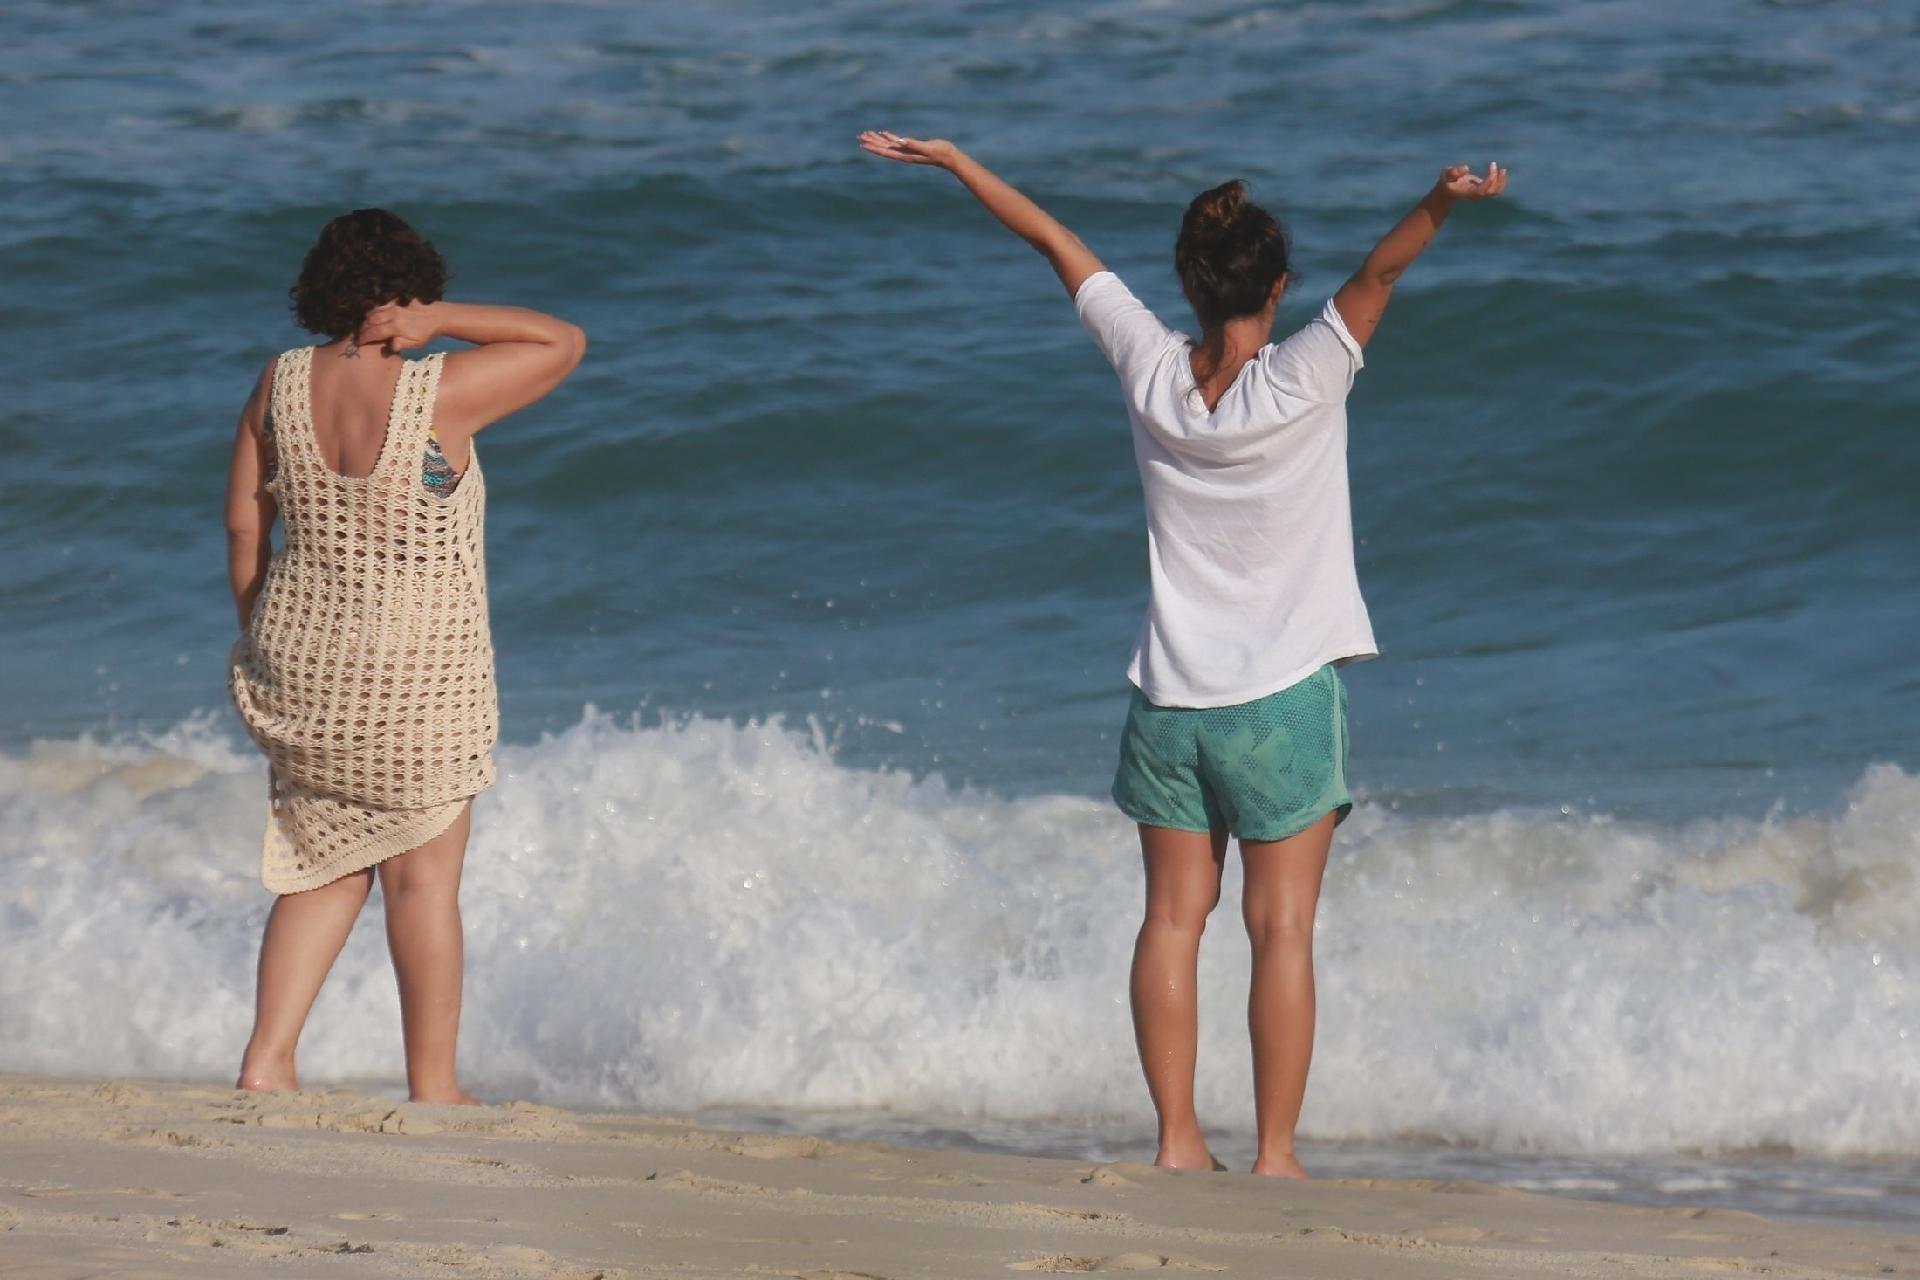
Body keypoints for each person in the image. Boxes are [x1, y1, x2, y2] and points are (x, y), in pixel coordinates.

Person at [858, 130, 1505, 1175]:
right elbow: (1381, 272)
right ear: (1280, 285)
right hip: (1283, 702)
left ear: (1190, 287)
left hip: (1168, 701)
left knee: (1171, 920)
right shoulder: (1307, 376)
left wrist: (956, 160)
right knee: (1281, 929)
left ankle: (1175, 1141)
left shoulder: (1151, 369)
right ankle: (1278, 1155)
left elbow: (1053, 242)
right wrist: (1440, 199)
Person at [224, 209, 586, 1102]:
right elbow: (563, 341)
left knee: (324, 865)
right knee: (422, 880)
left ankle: (267, 1063)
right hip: (414, 675)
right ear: (410, 290)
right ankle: (434, 1086)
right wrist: (448, 319)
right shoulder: (443, 390)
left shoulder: (280, 381)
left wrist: (256, 631)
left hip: (299, 661)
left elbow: (244, 522)